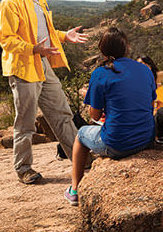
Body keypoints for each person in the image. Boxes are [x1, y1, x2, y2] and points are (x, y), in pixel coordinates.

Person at [0, 0, 88, 184]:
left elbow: (44, 31)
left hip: (43, 64)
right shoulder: (11, 2)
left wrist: (63, 36)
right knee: (25, 123)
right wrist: (33, 49)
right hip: (24, 68)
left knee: (62, 114)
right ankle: (24, 169)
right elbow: (6, 40)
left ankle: (81, 159)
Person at [64, 28, 156, 205]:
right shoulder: (144, 70)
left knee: (81, 134)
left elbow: (94, 115)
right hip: (146, 138)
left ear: (103, 51)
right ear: (127, 48)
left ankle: (74, 189)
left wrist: (92, 99)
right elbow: (149, 104)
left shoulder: (100, 73)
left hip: (118, 144)